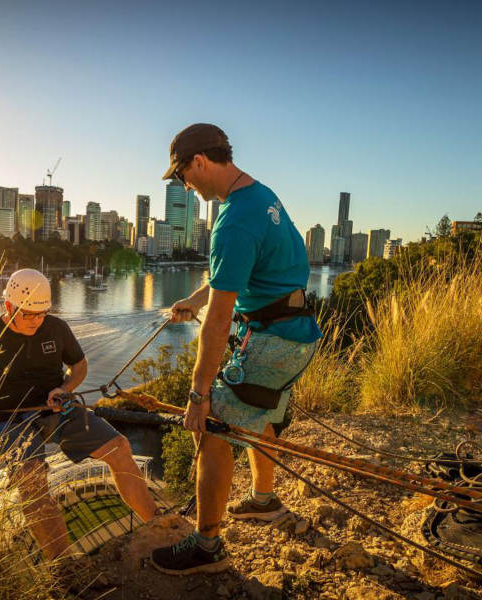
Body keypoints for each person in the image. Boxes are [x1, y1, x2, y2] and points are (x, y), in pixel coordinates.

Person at [150, 124, 322, 575]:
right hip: (297, 336)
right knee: (259, 417)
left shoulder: (234, 220)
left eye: (183, 176)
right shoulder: (259, 196)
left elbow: (223, 317)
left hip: (271, 341)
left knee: (210, 426)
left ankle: (206, 545)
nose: (185, 186)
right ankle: (263, 500)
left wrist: (198, 392)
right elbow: (234, 279)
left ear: (200, 162)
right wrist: (193, 300)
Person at [0, 268, 158, 560]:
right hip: (10, 419)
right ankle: (64, 566)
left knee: (119, 447)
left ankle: (158, 528)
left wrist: (64, 388)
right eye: (28, 314)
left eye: (42, 314)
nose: (37, 321)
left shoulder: (56, 328)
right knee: (32, 482)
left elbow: (79, 367)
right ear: (8, 307)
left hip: (57, 408)